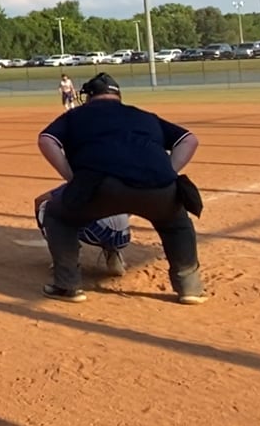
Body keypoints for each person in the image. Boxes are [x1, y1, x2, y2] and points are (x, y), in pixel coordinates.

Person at [36, 72, 206, 304]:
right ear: (118, 96)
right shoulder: (144, 116)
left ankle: (67, 286)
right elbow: (189, 139)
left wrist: (72, 178)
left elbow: (46, 140)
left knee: (57, 216)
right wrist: (167, 172)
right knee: (176, 225)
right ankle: (190, 288)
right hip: (159, 189)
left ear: (89, 96)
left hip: (100, 186)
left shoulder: (75, 115)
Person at [34, 187, 132, 278]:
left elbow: (39, 200)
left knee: (48, 208)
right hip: (123, 236)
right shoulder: (115, 180)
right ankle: (113, 254)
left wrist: (45, 230)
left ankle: (66, 260)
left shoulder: (81, 181)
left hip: (95, 232)